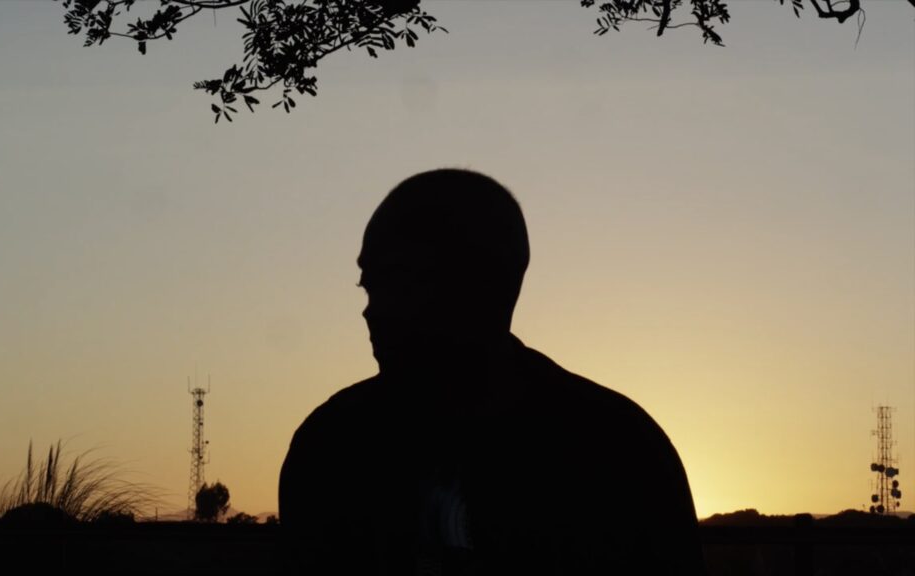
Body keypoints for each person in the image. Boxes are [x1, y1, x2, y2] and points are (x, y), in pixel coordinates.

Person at [279, 169, 706, 575]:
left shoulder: (617, 451)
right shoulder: (332, 444)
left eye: (398, 280)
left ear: (482, 284)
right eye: (369, 286)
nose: (372, 310)